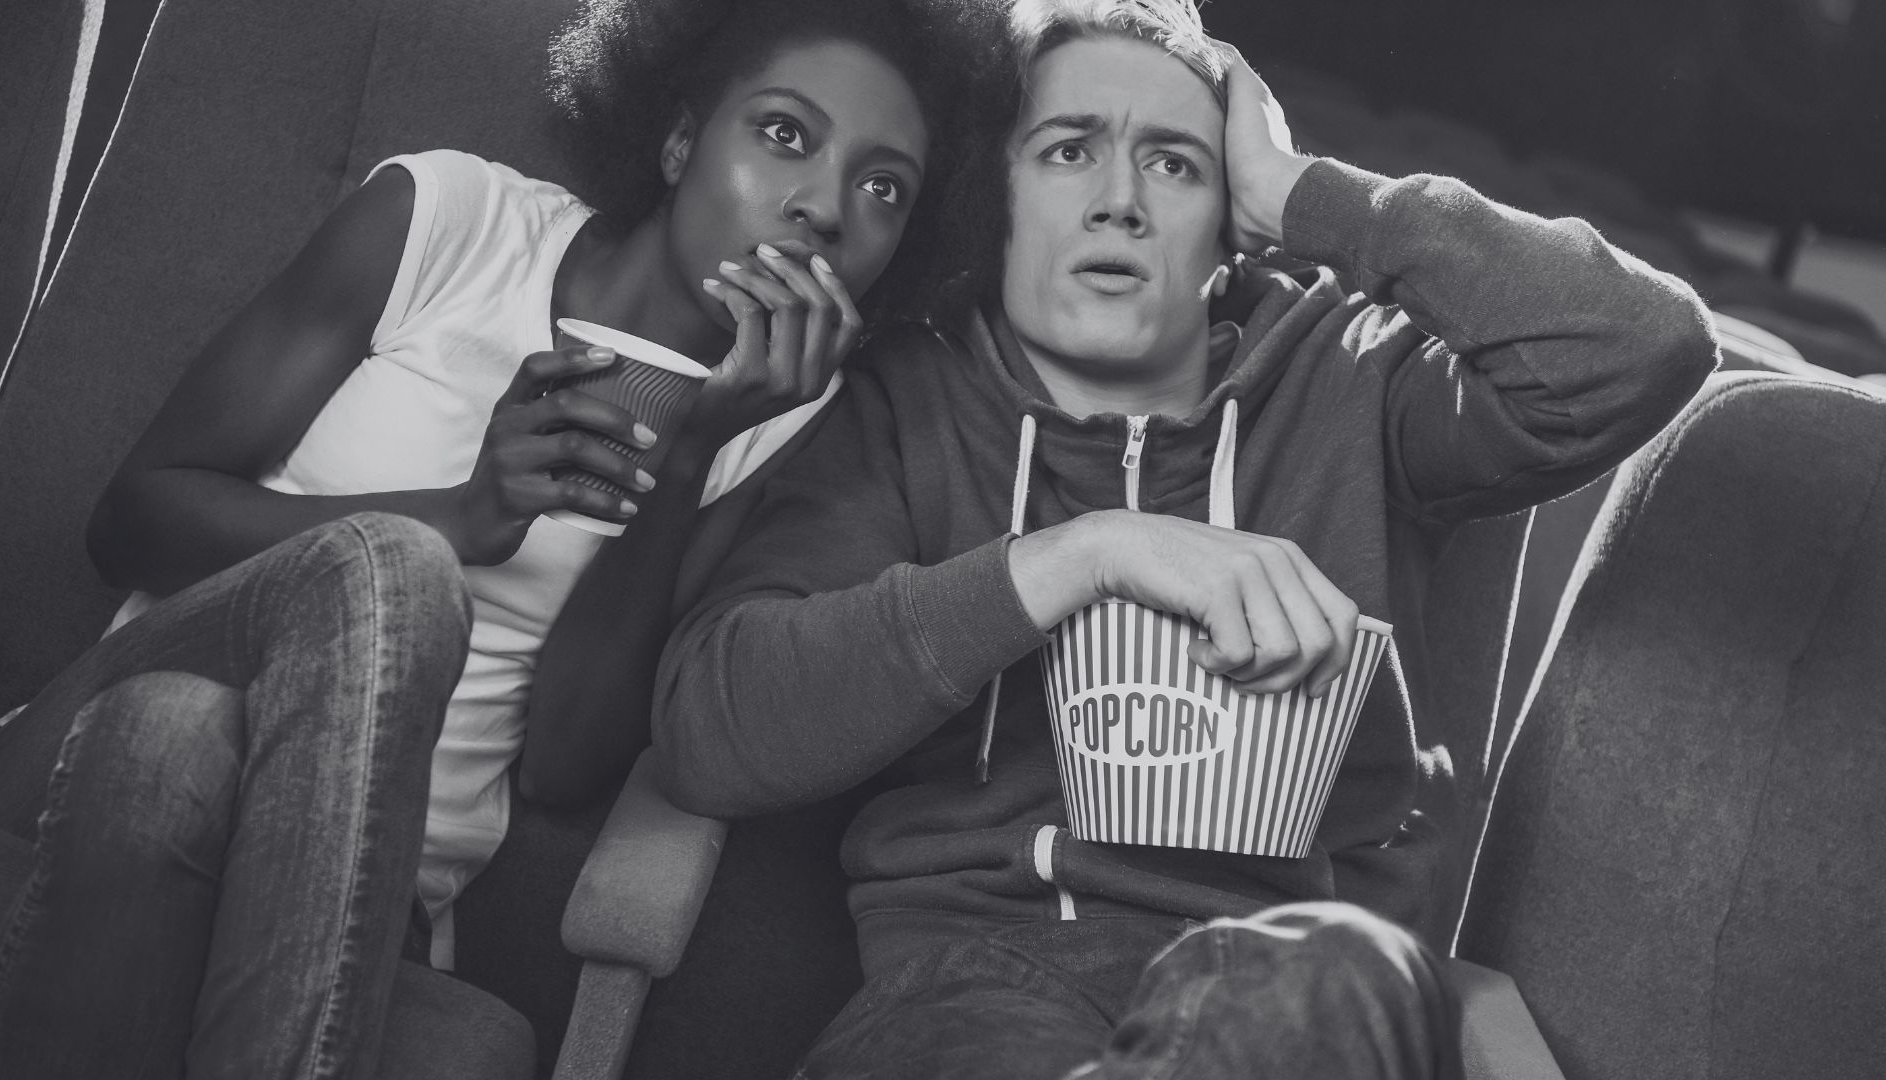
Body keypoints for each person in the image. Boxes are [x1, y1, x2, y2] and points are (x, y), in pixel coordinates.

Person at [652, 1, 1719, 1077]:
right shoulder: (906, 404)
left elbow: (1646, 346)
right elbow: (713, 729)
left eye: (1174, 164)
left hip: (1301, 987)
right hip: (973, 984)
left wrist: (1303, 194)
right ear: (992, 199)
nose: (1119, 201)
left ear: (1229, 224)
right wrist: (1086, 555)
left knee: (1335, 972)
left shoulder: (1356, 380)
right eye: (1068, 151)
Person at [0, 0, 982, 1074]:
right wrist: (460, 518)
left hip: (370, 871)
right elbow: (131, 522)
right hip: (75, 755)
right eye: (784, 133)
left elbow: (563, 768)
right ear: (682, 139)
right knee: (393, 571)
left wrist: (688, 453)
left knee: (174, 742)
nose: (825, 207)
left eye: (884, 187)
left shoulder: (783, 424)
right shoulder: (451, 224)